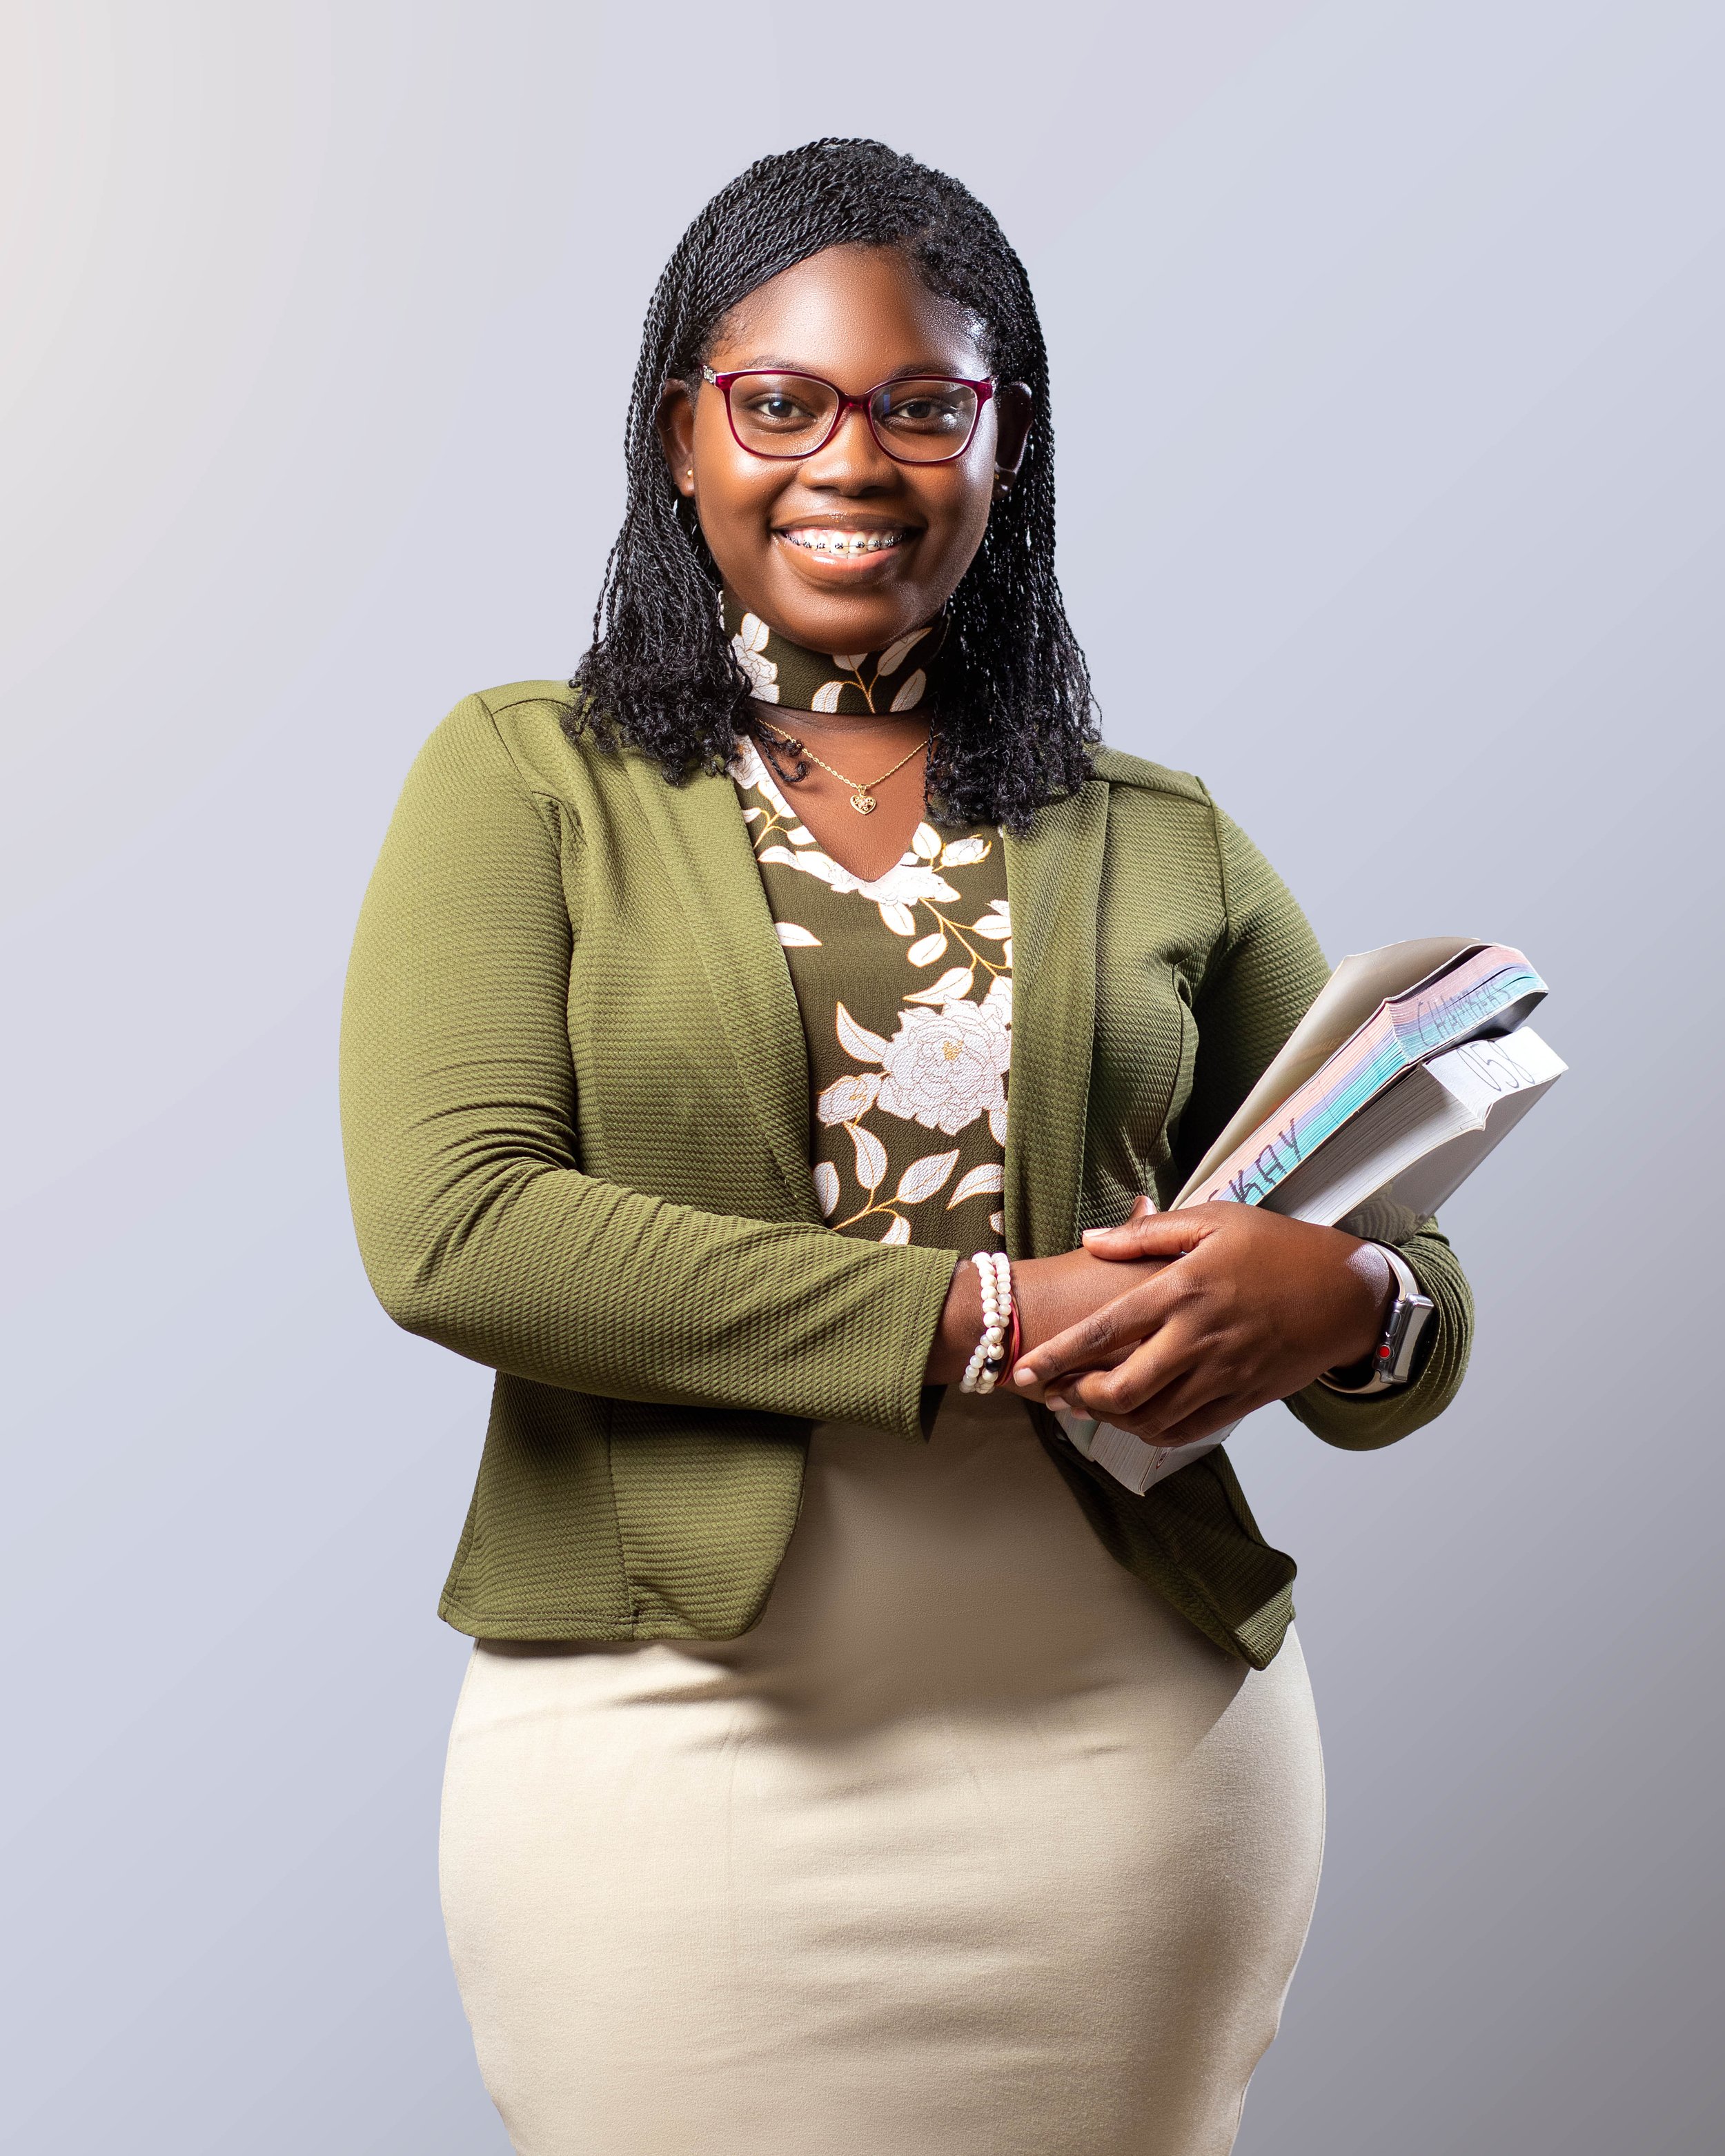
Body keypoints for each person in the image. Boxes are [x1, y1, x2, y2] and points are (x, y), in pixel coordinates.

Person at [339, 139, 1472, 2156]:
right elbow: (460, 1230)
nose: (847, 461)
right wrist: (977, 1310)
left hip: (1128, 1755)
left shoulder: (1159, 830)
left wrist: (1356, 1300)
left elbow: (1399, 1260)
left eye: (920, 406)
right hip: (664, 1744)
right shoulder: (525, 778)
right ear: (677, 436)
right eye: (776, 403)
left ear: (1002, 442)